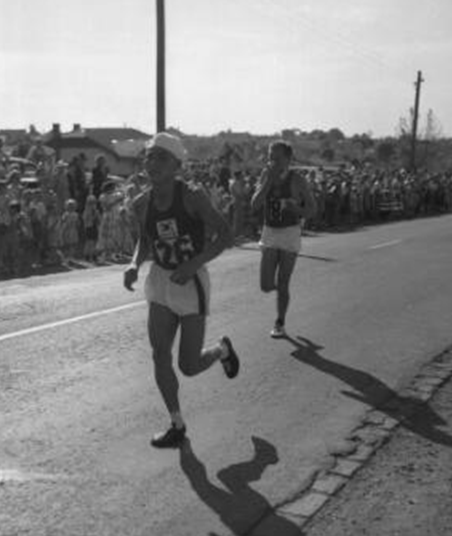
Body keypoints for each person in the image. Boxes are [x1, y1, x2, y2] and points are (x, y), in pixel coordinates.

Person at [123, 132, 240, 449]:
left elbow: (226, 235)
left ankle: (221, 351)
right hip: (161, 280)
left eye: (162, 157)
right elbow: (145, 241)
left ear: (176, 164)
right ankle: (177, 424)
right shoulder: (140, 203)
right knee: (160, 354)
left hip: (191, 282)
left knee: (188, 366)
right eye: (149, 156)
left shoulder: (192, 196)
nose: (153, 163)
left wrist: (193, 265)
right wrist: (135, 264)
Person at [250, 140, 316, 338]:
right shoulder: (265, 175)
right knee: (265, 285)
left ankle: (280, 322)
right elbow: (254, 205)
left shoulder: (297, 180)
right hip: (270, 231)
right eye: (270, 157)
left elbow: (312, 209)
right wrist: (268, 182)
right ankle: (283, 293)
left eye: (277, 158)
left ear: (288, 159)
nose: (272, 161)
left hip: (289, 232)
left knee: (284, 281)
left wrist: (297, 209)